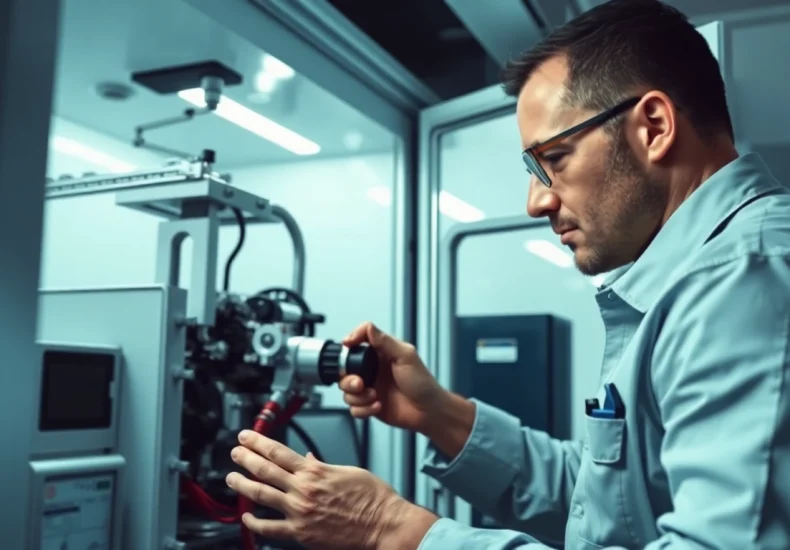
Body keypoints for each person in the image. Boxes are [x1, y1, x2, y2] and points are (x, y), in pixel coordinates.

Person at [224, 0, 790, 548]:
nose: (535, 201)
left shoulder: (743, 279)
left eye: (555, 159)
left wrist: (390, 530)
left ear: (654, 126)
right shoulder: (699, 279)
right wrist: (440, 415)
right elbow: (610, 508)